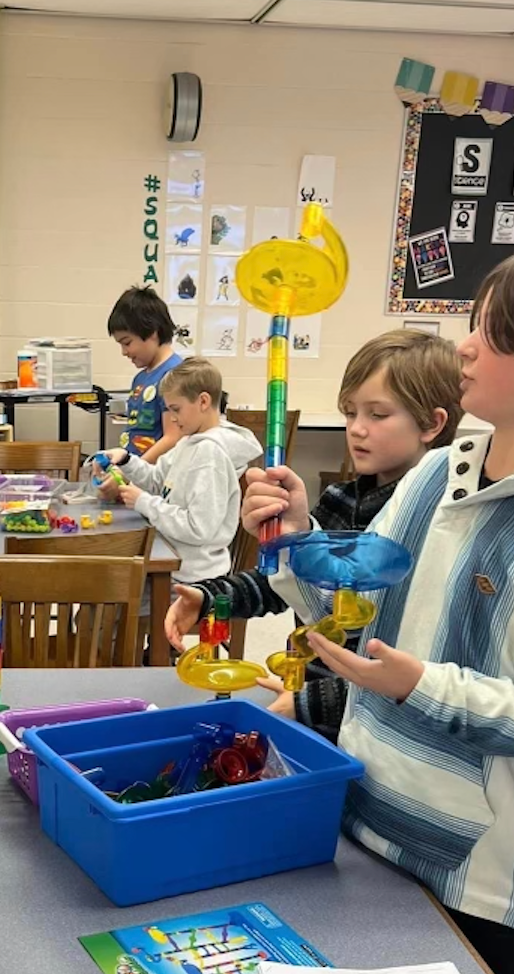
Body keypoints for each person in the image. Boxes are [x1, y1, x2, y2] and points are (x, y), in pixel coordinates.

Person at [241, 240, 514, 974]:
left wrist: (420, 685)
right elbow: (355, 614)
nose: (464, 346)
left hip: (478, 885)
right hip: (362, 819)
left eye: (489, 327)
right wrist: (295, 543)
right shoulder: (439, 472)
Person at [164, 329, 464, 740]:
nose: (356, 429)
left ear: (432, 423)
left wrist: (309, 704)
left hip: (372, 727)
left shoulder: (436, 521)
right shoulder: (340, 499)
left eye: (377, 415)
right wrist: (211, 597)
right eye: (350, 412)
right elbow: (284, 581)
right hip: (308, 702)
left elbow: (406, 662)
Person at [95, 357, 261, 588]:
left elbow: (197, 528)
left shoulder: (210, 455)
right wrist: (125, 459)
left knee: (107, 605)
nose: (171, 418)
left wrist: (144, 502)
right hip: (173, 561)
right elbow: (156, 481)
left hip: (193, 579)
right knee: (104, 596)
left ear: (203, 401)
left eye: (176, 409)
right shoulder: (189, 442)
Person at [107, 286, 183, 462]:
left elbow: (172, 438)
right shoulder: (140, 378)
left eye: (127, 343)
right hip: (135, 471)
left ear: (152, 333)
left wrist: (132, 471)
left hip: (153, 476)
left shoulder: (175, 376)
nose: (124, 352)